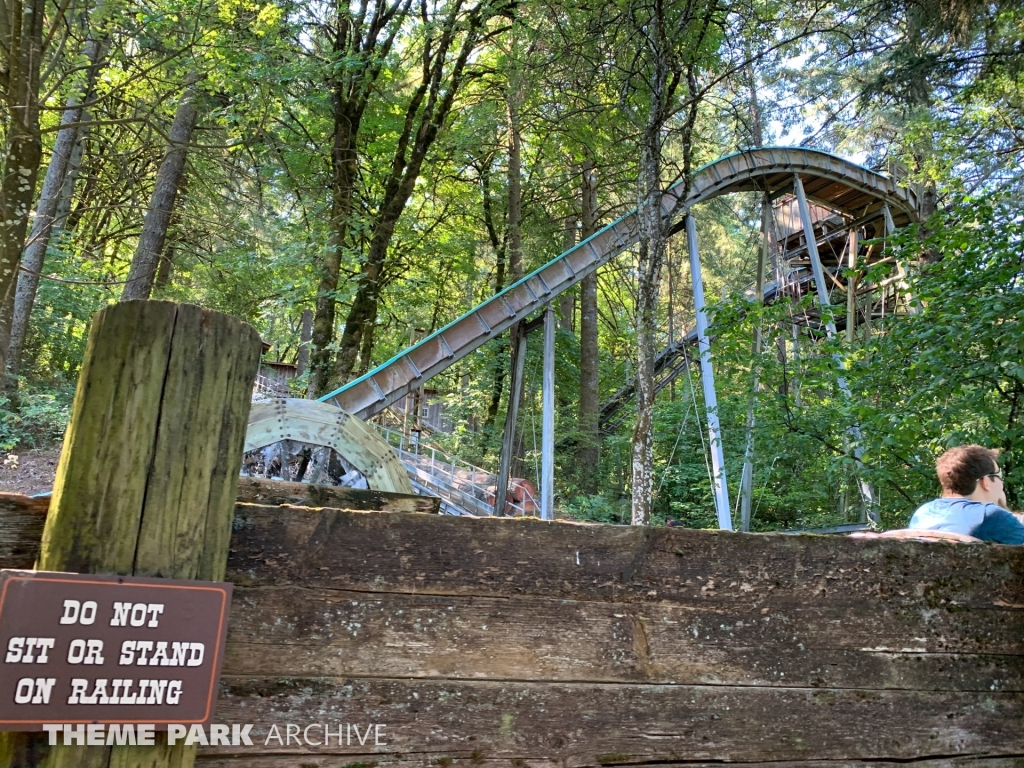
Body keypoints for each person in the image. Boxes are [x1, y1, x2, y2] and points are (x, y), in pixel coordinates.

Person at [908, 445, 1024, 544]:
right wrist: (1003, 509)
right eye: (1000, 476)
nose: (1002, 483)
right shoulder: (991, 515)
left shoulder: (923, 512)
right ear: (986, 482)